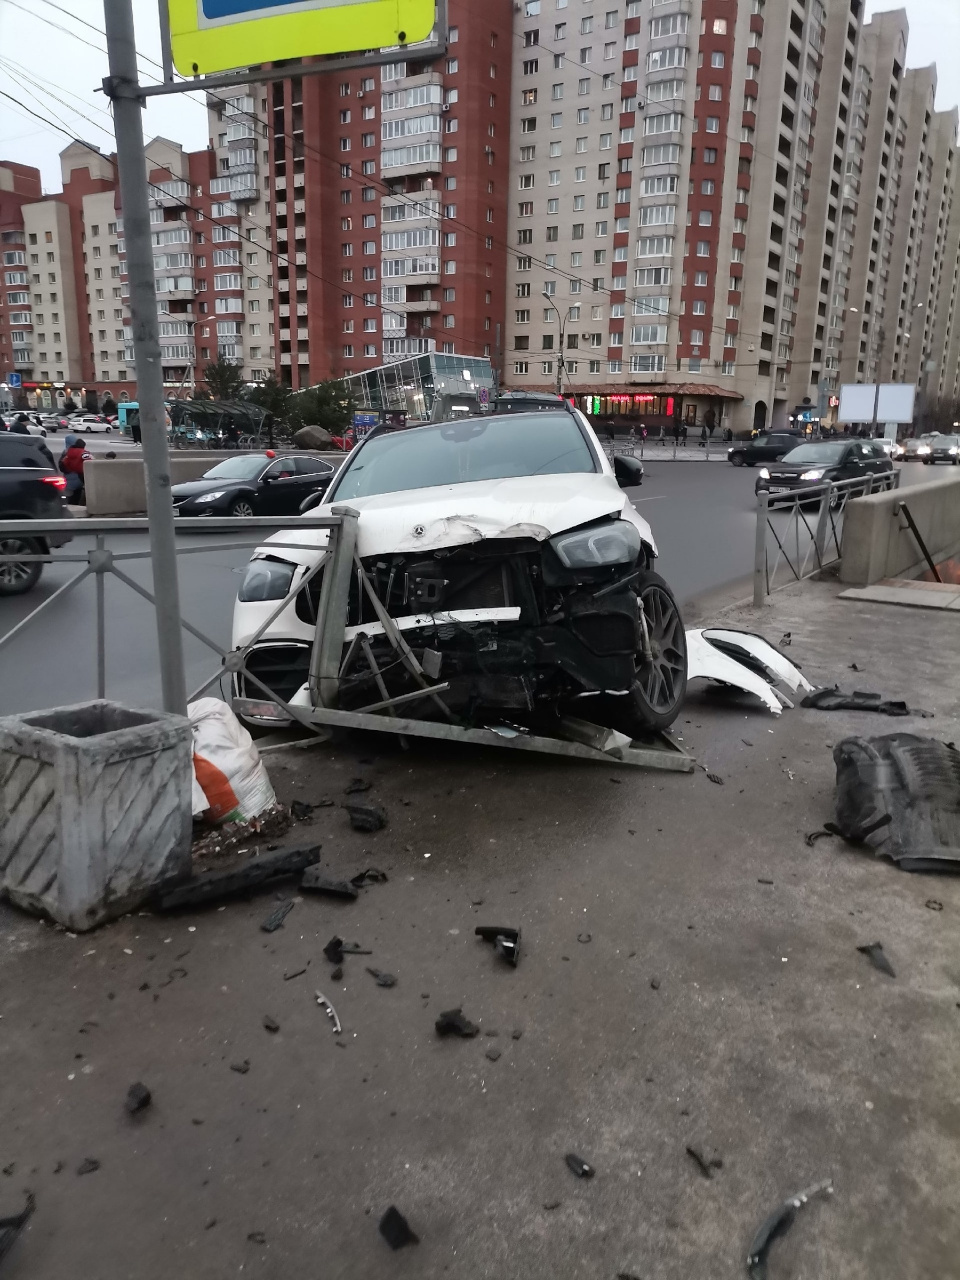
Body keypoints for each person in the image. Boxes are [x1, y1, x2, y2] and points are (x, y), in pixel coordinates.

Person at [60, 435, 89, 503]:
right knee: (77, 496)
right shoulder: (84, 452)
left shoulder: (67, 452)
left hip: (69, 479)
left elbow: (62, 466)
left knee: (68, 498)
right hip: (80, 478)